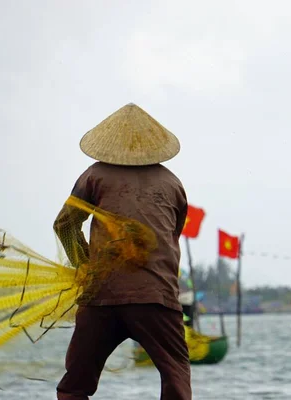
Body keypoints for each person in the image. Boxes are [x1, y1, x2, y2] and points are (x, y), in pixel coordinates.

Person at [53, 103, 191, 400]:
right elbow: (171, 236)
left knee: (74, 386)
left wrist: (86, 266)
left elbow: (65, 225)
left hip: (101, 295)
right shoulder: (172, 183)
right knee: (175, 376)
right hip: (156, 298)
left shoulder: (94, 175)